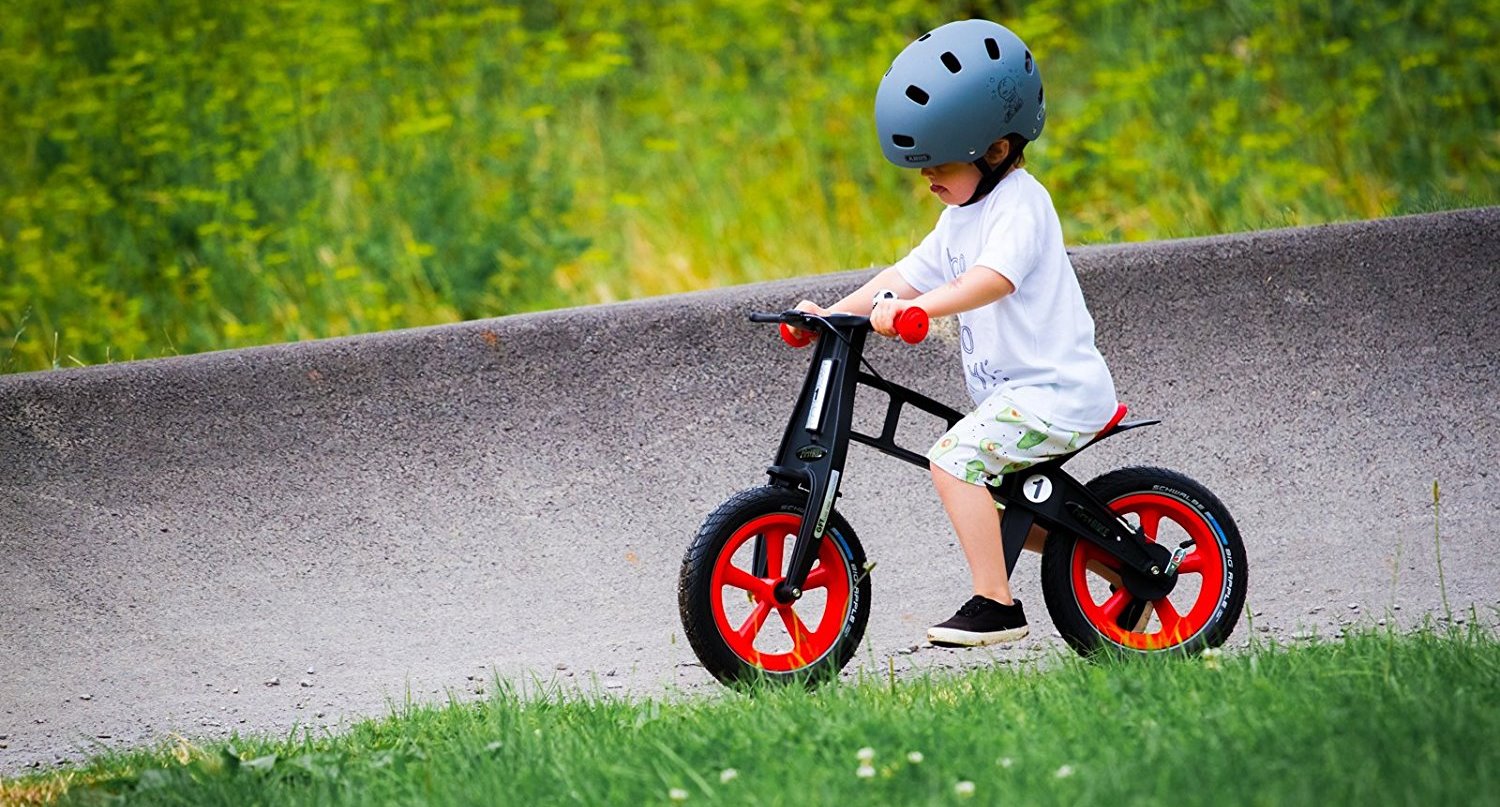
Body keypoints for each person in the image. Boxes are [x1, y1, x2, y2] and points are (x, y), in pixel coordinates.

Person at [791, 19, 1117, 647]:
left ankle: (997, 605)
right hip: (1017, 399)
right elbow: (904, 275)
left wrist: (921, 311)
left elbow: (993, 281)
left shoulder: (1021, 204)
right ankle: (1109, 560)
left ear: (993, 151)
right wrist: (834, 314)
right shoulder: (958, 216)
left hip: (1059, 391)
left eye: (937, 163)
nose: (926, 178)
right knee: (996, 503)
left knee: (955, 461)